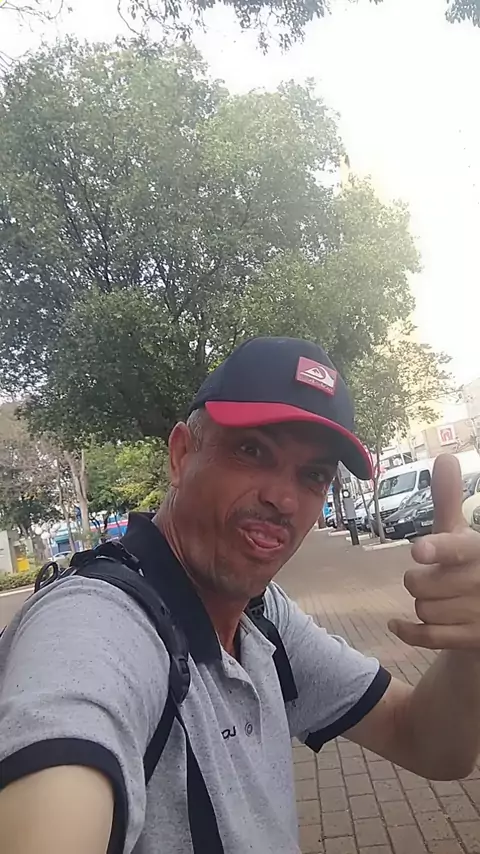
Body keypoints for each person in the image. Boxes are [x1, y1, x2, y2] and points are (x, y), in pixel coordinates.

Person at [2, 336, 480, 854]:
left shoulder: (262, 617)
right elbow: (61, 750)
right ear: (181, 454)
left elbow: (428, 744)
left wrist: (470, 646)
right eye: (252, 451)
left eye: (313, 474)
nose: (283, 498)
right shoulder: (96, 621)